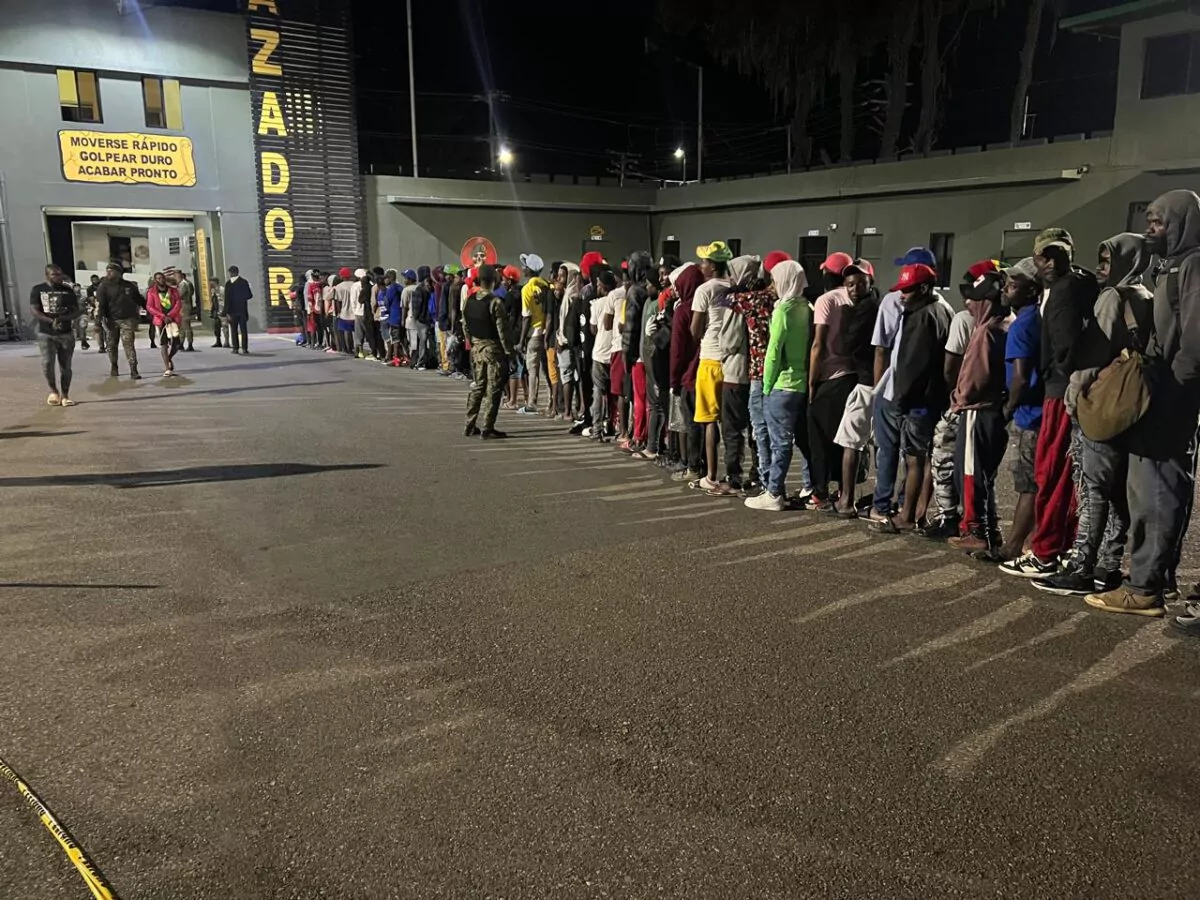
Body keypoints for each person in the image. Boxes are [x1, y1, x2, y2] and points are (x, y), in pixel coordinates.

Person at [1091, 190, 1200, 620]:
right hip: (1161, 389)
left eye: (1158, 223)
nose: (1149, 230)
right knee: (1149, 489)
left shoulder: (1193, 265)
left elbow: (1194, 343)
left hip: (1169, 397)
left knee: (1156, 492)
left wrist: (1169, 394)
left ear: (1181, 224)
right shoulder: (1171, 265)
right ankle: (1154, 579)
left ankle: (1143, 589)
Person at [1035, 234, 1153, 596]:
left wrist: (1073, 397)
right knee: (1118, 492)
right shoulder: (1144, 296)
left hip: (1101, 403)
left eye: (1107, 261)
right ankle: (1108, 565)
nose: (1101, 268)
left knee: (1092, 489)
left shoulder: (1111, 298)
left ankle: (1081, 566)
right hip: (1131, 405)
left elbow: (1091, 356)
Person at [1000, 228, 1098, 577]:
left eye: (1055, 256)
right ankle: (1060, 546)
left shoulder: (1063, 290)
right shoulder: (1081, 283)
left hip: (1059, 392)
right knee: (1066, 476)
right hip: (1070, 390)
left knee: (1051, 473)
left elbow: (1064, 346)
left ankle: (1045, 551)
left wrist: (1056, 374)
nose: (1050, 263)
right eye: (1045, 256)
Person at [871, 263, 952, 533]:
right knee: (926, 457)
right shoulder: (942, 310)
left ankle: (906, 516)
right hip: (933, 397)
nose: (902, 296)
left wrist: (902, 400)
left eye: (907, 290)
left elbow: (912, 366)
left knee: (914, 458)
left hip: (918, 401)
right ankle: (918, 513)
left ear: (924, 288)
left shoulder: (921, 317)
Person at [944, 271, 1011, 552]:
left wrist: (957, 399)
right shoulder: (1006, 323)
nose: (968, 304)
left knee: (970, 471)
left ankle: (975, 529)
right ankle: (990, 527)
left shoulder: (985, 332)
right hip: (996, 409)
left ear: (985, 301)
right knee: (986, 474)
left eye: (973, 299)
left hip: (978, 410)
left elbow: (974, 378)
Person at [746, 260, 810, 510]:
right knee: (802, 441)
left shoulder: (783, 310)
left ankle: (773, 493)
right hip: (801, 384)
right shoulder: (806, 307)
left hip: (782, 384)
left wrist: (766, 387)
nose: (772, 286)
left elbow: (773, 353)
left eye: (774, 280)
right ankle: (809, 486)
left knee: (779, 442)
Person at [807, 251, 861, 510]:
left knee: (819, 439)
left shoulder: (826, 300)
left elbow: (818, 344)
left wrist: (811, 381)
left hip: (829, 376)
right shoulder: (856, 298)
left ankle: (820, 492)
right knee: (844, 439)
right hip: (853, 375)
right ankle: (843, 490)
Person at [829, 260, 880, 516]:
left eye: (861, 283)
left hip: (867, 383)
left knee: (850, 442)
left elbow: (846, 345)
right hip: (877, 382)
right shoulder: (877, 304)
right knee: (877, 444)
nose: (855, 289)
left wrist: (846, 316)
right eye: (850, 284)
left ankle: (846, 501)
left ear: (871, 282)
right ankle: (880, 501)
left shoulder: (865, 309)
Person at [734, 251, 786, 491]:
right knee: (779, 434)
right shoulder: (795, 303)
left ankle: (766, 481)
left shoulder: (755, 299)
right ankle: (776, 481)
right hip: (784, 375)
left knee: (760, 429)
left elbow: (723, 299)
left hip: (758, 372)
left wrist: (741, 287)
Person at [689, 241, 734, 491]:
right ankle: (734, 474)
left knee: (709, 421)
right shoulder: (733, 287)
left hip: (709, 359)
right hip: (732, 360)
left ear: (713, 266)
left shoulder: (704, 290)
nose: (701, 265)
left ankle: (711, 475)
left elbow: (695, 330)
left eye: (704, 261)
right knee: (730, 423)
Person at [711, 254, 757, 492]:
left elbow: (729, 341)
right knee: (756, 429)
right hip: (757, 373)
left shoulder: (736, 302)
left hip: (736, 372)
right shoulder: (763, 299)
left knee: (732, 429)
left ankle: (733, 477)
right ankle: (758, 475)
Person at [463, 264, 515, 439]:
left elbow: (465, 326)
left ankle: (469, 424)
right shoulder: (495, 302)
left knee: (478, 386)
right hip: (493, 350)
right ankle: (487, 427)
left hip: (476, 349)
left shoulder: (469, 300)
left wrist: (473, 343)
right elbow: (502, 331)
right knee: (493, 388)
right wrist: (509, 352)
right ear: (494, 280)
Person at [670, 264, 705, 480]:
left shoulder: (683, 311)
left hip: (688, 376)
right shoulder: (711, 305)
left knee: (692, 423)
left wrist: (674, 380)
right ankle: (708, 467)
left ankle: (693, 466)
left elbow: (677, 350)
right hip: (708, 370)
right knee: (708, 424)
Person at [29, 264, 82, 406]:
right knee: (47, 363)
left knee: (66, 366)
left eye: (60, 274)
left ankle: (65, 395)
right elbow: (34, 310)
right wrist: (51, 321)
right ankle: (53, 391)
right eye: (54, 274)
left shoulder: (68, 291)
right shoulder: (38, 290)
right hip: (45, 333)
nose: (58, 276)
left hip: (65, 333)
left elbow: (76, 311)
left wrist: (63, 319)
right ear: (47, 275)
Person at [587, 268, 620, 439]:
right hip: (614, 351)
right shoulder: (620, 299)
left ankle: (597, 428)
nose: (597, 287)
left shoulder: (597, 304)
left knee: (598, 392)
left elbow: (593, 329)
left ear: (604, 286)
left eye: (599, 284)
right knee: (614, 393)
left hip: (600, 352)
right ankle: (613, 426)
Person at [96, 262, 141, 380]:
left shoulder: (129, 286)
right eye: (107, 271)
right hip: (111, 320)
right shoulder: (103, 286)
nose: (108, 273)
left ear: (119, 273)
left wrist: (150, 310)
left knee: (128, 344)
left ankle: (133, 369)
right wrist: (98, 321)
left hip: (127, 319)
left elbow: (139, 299)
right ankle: (114, 365)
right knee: (111, 345)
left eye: (111, 271)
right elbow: (100, 305)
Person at [519, 253, 552, 414]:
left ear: (529, 270)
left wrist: (521, 340)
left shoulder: (527, 289)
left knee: (532, 370)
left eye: (524, 266)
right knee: (548, 370)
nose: (522, 268)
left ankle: (531, 403)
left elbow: (526, 317)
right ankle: (551, 401)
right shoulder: (547, 286)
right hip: (547, 332)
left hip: (533, 333)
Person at [146, 271, 183, 376]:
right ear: (155, 280)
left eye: (162, 277)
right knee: (164, 344)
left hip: (173, 319)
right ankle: (167, 368)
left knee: (176, 343)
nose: (161, 280)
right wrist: (163, 316)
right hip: (160, 320)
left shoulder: (173, 290)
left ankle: (169, 357)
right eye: (158, 278)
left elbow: (178, 303)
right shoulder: (151, 292)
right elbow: (149, 306)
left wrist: (170, 315)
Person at [224, 265, 253, 355]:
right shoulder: (244, 282)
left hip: (232, 311)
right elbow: (249, 295)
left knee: (234, 330)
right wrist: (241, 298)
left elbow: (226, 300)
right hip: (242, 310)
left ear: (230, 273)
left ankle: (235, 348)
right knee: (243, 330)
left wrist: (226, 312)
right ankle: (244, 348)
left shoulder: (228, 284)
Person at [172, 271, 196, 352]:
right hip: (183, 306)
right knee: (181, 326)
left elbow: (180, 295)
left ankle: (189, 343)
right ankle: (181, 343)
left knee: (186, 325)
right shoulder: (183, 284)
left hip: (184, 306)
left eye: (175, 277)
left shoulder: (183, 284)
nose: (175, 279)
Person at [210, 278, 227, 348]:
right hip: (216, 311)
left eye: (211, 282)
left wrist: (225, 310)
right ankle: (218, 341)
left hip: (222, 310)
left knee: (224, 326)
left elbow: (225, 300)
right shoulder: (213, 290)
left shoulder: (222, 289)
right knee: (216, 327)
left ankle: (226, 341)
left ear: (215, 282)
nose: (210, 284)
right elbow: (213, 301)